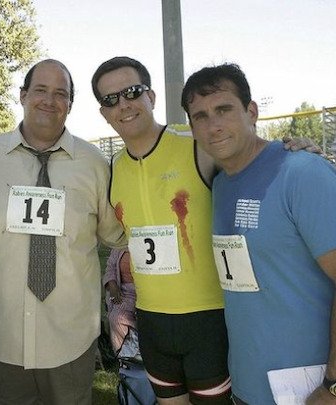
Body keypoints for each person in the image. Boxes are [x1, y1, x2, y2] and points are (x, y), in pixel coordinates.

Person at [0, 59, 125, 405]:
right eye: (41, 90)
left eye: (61, 93)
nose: (50, 100)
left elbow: (114, 234)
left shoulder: (94, 165)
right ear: (23, 95)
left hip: (70, 336)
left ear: (70, 105)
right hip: (0, 334)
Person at [181, 63, 336, 405]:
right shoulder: (219, 185)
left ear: (251, 111)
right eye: (201, 116)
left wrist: (333, 385)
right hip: (248, 388)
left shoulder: (302, 172)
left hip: (313, 390)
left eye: (223, 109)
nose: (214, 125)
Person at [91, 56, 231, 405]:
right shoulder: (114, 167)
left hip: (209, 320)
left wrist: (294, 150)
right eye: (111, 99)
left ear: (151, 96)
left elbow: (253, 156)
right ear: (104, 112)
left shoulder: (196, 144)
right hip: (151, 322)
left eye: (132, 92)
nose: (123, 104)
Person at [102, 248, 138, 355]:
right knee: (117, 318)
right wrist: (112, 285)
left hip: (148, 292)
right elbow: (110, 267)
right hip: (124, 293)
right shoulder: (120, 243)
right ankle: (126, 355)